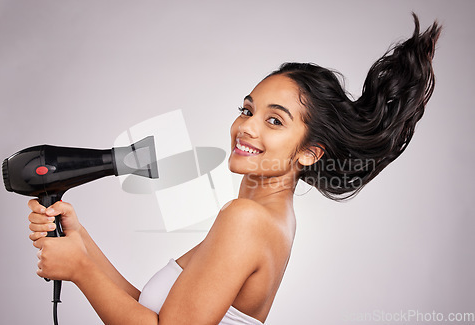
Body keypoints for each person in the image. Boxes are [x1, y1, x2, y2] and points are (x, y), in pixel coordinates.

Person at [27, 14, 441, 324]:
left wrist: (80, 271)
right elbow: (154, 314)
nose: (247, 126)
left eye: (274, 120)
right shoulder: (267, 218)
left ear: (310, 152)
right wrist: (83, 247)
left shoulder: (246, 219)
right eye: (247, 109)